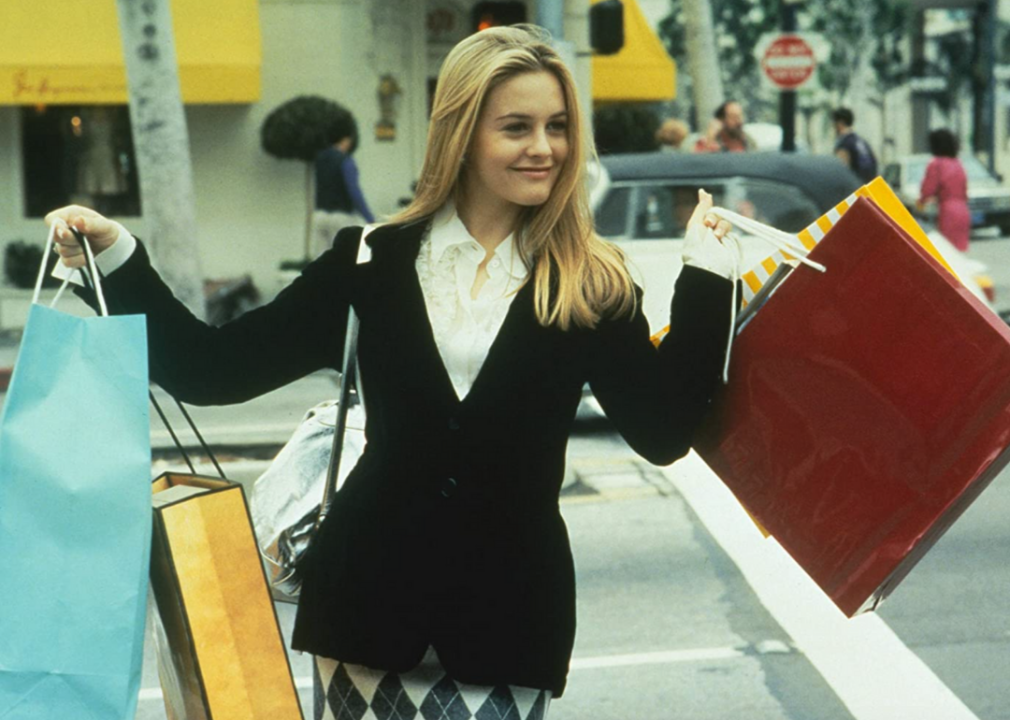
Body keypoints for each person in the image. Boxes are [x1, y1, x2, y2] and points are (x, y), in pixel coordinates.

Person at [46, 25, 738, 719]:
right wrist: (117, 259)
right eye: (517, 127)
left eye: (558, 126)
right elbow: (212, 371)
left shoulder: (589, 282)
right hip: (366, 607)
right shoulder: (370, 261)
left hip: (508, 618)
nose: (544, 148)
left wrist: (706, 280)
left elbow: (662, 431)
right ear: (462, 134)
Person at [312, 111, 374, 257]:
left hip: (320, 214)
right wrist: (369, 218)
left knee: (321, 262)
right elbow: (354, 191)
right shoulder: (345, 160)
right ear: (345, 139)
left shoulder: (320, 159)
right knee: (344, 258)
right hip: (341, 216)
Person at [918, 128, 971, 252]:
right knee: (958, 254)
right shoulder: (957, 163)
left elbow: (927, 190)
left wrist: (921, 202)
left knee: (946, 253)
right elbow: (964, 189)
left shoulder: (936, 164)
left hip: (947, 212)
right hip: (963, 211)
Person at [831, 107, 878, 183]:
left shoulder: (844, 144)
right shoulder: (863, 142)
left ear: (840, 123)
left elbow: (841, 171)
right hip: (870, 188)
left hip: (856, 189)